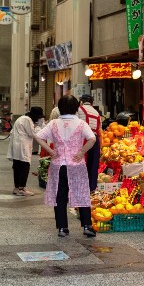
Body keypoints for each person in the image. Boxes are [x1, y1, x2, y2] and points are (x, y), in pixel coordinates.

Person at [34, 95, 97, 238]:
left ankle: (62, 228)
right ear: (76, 107)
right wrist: (81, 152)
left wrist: (50, 151)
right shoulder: (81, 123)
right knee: (81, 193)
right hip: (76, 165)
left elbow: (38, 136)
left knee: (60, 195)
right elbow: (92, 139)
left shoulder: (54, 123)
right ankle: (87, 225)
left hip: (58, 165)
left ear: (60, 107)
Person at [7, 107, 45, 196]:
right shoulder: (27, 120)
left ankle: (16, 188)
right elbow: (32, 133)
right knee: (25, 166)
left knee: (17, 167)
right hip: (22, 145)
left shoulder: (22, 118)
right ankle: (22, 188)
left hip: (17, 145)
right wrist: (40, 127)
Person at [76, 94, 101, 192]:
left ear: (81, 101)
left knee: (82, 163)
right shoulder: (97, 113)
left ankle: (81, 187)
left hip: (84, 139)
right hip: (95, 139)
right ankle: (92, 188)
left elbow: (76, 124)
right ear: (92, 102)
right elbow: (100, 130)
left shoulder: (79, 109)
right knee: (93, 165)